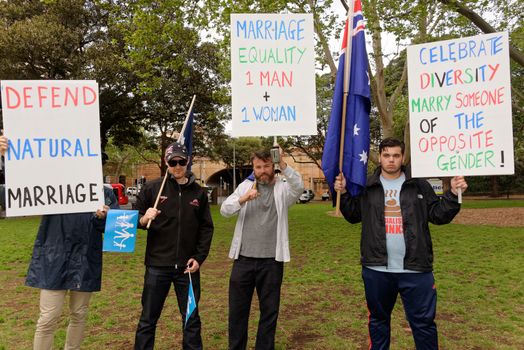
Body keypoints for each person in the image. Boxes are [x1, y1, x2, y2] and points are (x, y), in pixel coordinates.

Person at [335, 137, 468, 350]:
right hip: (377, 268)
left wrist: (453, 193)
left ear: (403, 157)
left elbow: (439, 215)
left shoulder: (418, 184)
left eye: (396, 155)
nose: (391, 160)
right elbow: (352, 215)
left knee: (424, 325)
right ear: (380, 157)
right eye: (386, 155)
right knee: (378, 322)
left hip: (416, 268)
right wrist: (340, 193)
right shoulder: (368, 185)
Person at [0, 135, 119, 350]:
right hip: (53, 259)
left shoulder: (105, 193)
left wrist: (105, 217)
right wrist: (4, 157)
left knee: (79, 314)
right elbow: (14, 190)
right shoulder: (50, 186)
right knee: (47, 318)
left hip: (85, 260)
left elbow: (113, 229)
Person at [220, 147, 304, 350]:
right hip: (243, 260)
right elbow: (224, 210)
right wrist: (243, 199)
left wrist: (283, 164)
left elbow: (299, 187)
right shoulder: (245, 186)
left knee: (269, 312)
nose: (263, 170)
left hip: (271, 261)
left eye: (267, 166)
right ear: (254, 168)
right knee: (238, 312)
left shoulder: (283, 189)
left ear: (273, 166)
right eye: (258, 167)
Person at [134, 142, 214, 350]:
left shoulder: (198, 193)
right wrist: (143, 219)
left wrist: (199, 257)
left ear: (187, 161)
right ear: (166, 162)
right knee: (148, 319)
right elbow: (129, 218)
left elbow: (206, 228)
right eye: (173, 162)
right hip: (157, 267)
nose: (177, 166)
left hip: (187, 269)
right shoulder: (153, 188)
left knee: (191, 319)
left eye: (181, 161)